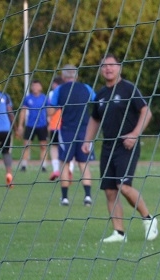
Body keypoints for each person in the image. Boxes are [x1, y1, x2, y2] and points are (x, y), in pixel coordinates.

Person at [81, 54, 158, 243]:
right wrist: (87, 141)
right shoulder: (100, 94)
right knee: (110, 191)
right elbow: (94, 119)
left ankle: (149, 219)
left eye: (111, 65)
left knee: (124, 187)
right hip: (108, 147)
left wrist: (134, 134)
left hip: (126, 145)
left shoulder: (129, 89)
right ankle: (119, 233)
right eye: (104, 66)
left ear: (119, 67)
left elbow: (146, 112)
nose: (108, 68)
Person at [48, 64, 94, 206]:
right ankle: (87, 197)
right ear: (76, 76)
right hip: (85, 130)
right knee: (83, 164)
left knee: (64, 163)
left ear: (63, 76)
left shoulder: (59, 90)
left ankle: (65, 198)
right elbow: (96, 102)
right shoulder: (86, 88)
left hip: (67, 130)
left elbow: (51, 111)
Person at [16, 79, 49, 172]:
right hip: (30, 125)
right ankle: (23, 165)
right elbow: (23, 111)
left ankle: (44, 166)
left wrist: (49, 123)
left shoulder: (44, 98)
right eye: (33, 86)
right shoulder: (28, 98)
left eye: (37, 86)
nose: (35, 87)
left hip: (42, 125)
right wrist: (20, 125)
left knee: (43, 146)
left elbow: (49, 111)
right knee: (26, 145)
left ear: (41, 87)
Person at [46, 76, 63, 181]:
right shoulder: (68, 92)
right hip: (66, 125)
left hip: (55, 125)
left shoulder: (53, 93)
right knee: (68, 148)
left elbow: (50, 110)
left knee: (54, 147)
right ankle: (69, 170)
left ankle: (56, 169)